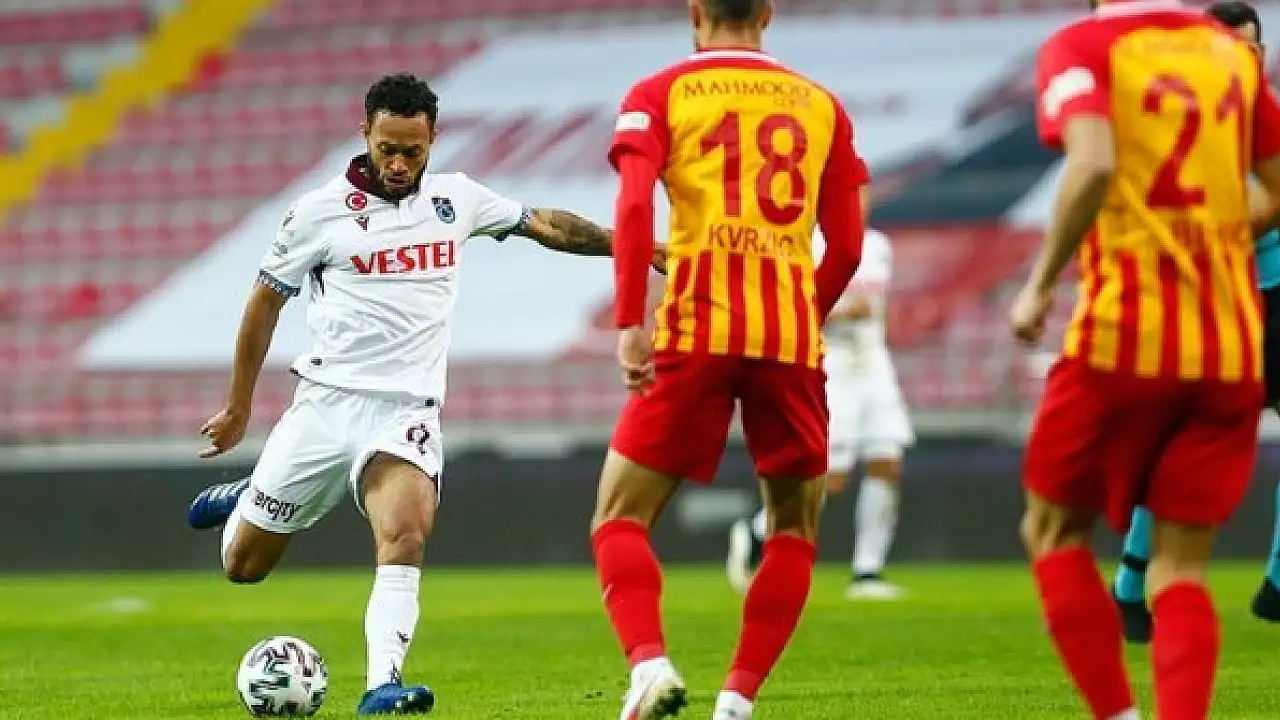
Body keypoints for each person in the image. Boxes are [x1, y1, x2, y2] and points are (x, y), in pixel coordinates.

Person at [183, 73, 662, 716]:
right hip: (325, 407)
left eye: (413, 150)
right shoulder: (316, 214)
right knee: (244, 566)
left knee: (405, 534)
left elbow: (545, 223)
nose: (399, 163)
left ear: (433, 139)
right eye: (387, 148)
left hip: (405, 412)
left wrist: (634, 247)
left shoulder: (455, 198)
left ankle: (382, 683)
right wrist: (239, 407)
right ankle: (250, 495)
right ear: (365, 134)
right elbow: (262, 305)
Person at [591, 0, 870, 717]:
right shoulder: (823, 107)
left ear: (695, 11)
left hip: (696, 331)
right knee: (793, 529)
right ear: (768, 13)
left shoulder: (660, 93)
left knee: (619, 517)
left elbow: (633, 209)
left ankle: (650, 666)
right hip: (789, 341)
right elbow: (847, 247)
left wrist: (629, 320)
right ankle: (737, 701)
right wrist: (800, 311)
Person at [1011, 0, 1280, 717]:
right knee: (1182, 571)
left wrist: (1040, 283)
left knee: (1053, 532)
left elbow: (1094, 161)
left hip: (1123, 339)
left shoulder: (1082, 45)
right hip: (1228, 349)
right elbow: (1276, 189)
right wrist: (1215, 236)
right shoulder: (1231, 54)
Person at [1110, 0, 1280, 644]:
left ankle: (1278, 582)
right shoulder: (1180, 120)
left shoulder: (1269, 119)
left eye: (1249, 47)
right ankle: (1131, 581)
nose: (1240, 57)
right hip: (1207, 297)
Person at [726, 226, 915, 601]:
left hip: (874, 364)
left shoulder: (876, 243)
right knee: (831, 476)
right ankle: (759, 530)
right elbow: (789, 309)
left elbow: (878, 308)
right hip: (831, 363)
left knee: (888, 462)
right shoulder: (802, 242)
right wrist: (841, 311)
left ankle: (867, 571)